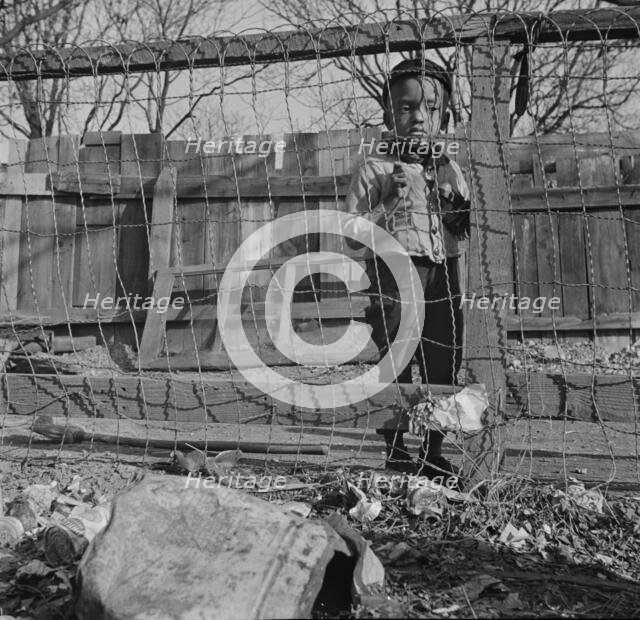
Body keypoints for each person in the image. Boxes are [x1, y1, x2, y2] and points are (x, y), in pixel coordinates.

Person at [343, 57, 470, 484]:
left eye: (431, 108)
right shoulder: (375, 168)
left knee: (442, 359)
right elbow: (350, 236)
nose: (419, 117)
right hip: (394, 274)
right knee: (397, 358)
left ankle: (433, 451)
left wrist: (455, 205)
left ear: (445, 115)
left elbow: (465, 227)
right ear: (387, 114)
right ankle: (395, 451)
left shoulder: (451, 167)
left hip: (443, 273)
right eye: (406, 107)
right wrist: (387, 205)